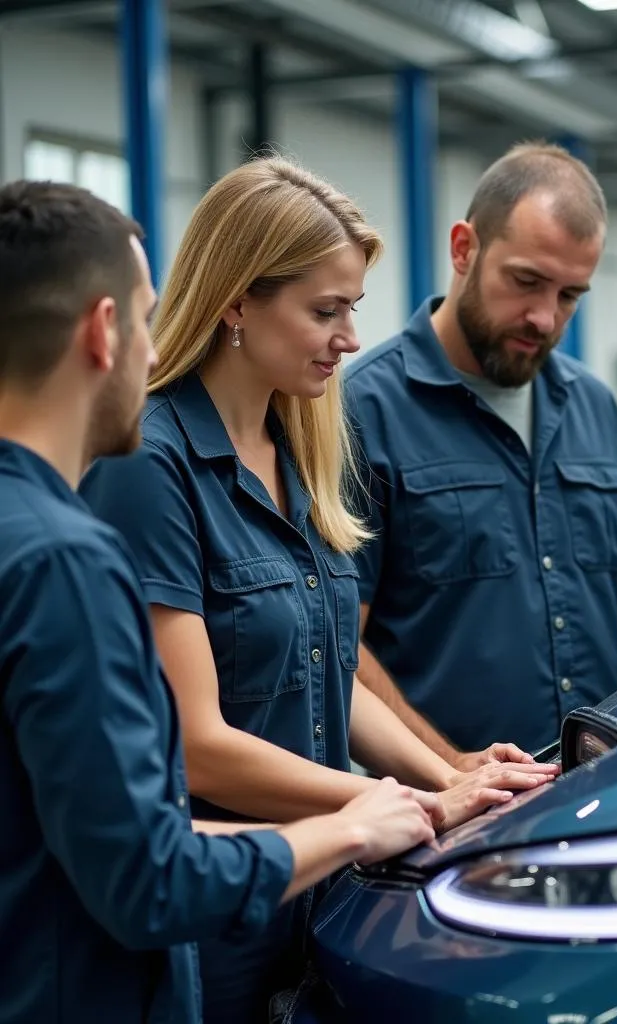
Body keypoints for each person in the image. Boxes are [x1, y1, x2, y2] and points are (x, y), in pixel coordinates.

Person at [79, 157, 556, 1023]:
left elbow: (327, 665)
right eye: (323, 312)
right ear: (235, 301)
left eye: (353, 312)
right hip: (215, 917)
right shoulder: (152, 465)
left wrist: (450, 773)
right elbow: (198, 742)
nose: (347, 338)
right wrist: (402, 804)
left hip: (321, 895)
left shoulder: (303, 444)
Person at [0, 179, 440, 1023]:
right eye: (145, 315)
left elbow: (113, 830)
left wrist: (434, 781)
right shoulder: (68, 556)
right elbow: (146, 870)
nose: (156, 349)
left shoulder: (295, 453)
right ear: (103, 332)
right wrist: (356, 822)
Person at [347, 141, 617, 760]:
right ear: (465, 248)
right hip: (449, 820)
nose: (544, 316)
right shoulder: (362, 413)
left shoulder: (594, 409)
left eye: (569, 295)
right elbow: (338, 646)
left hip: (600, 792)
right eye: (526, 282)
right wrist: (451, 772)